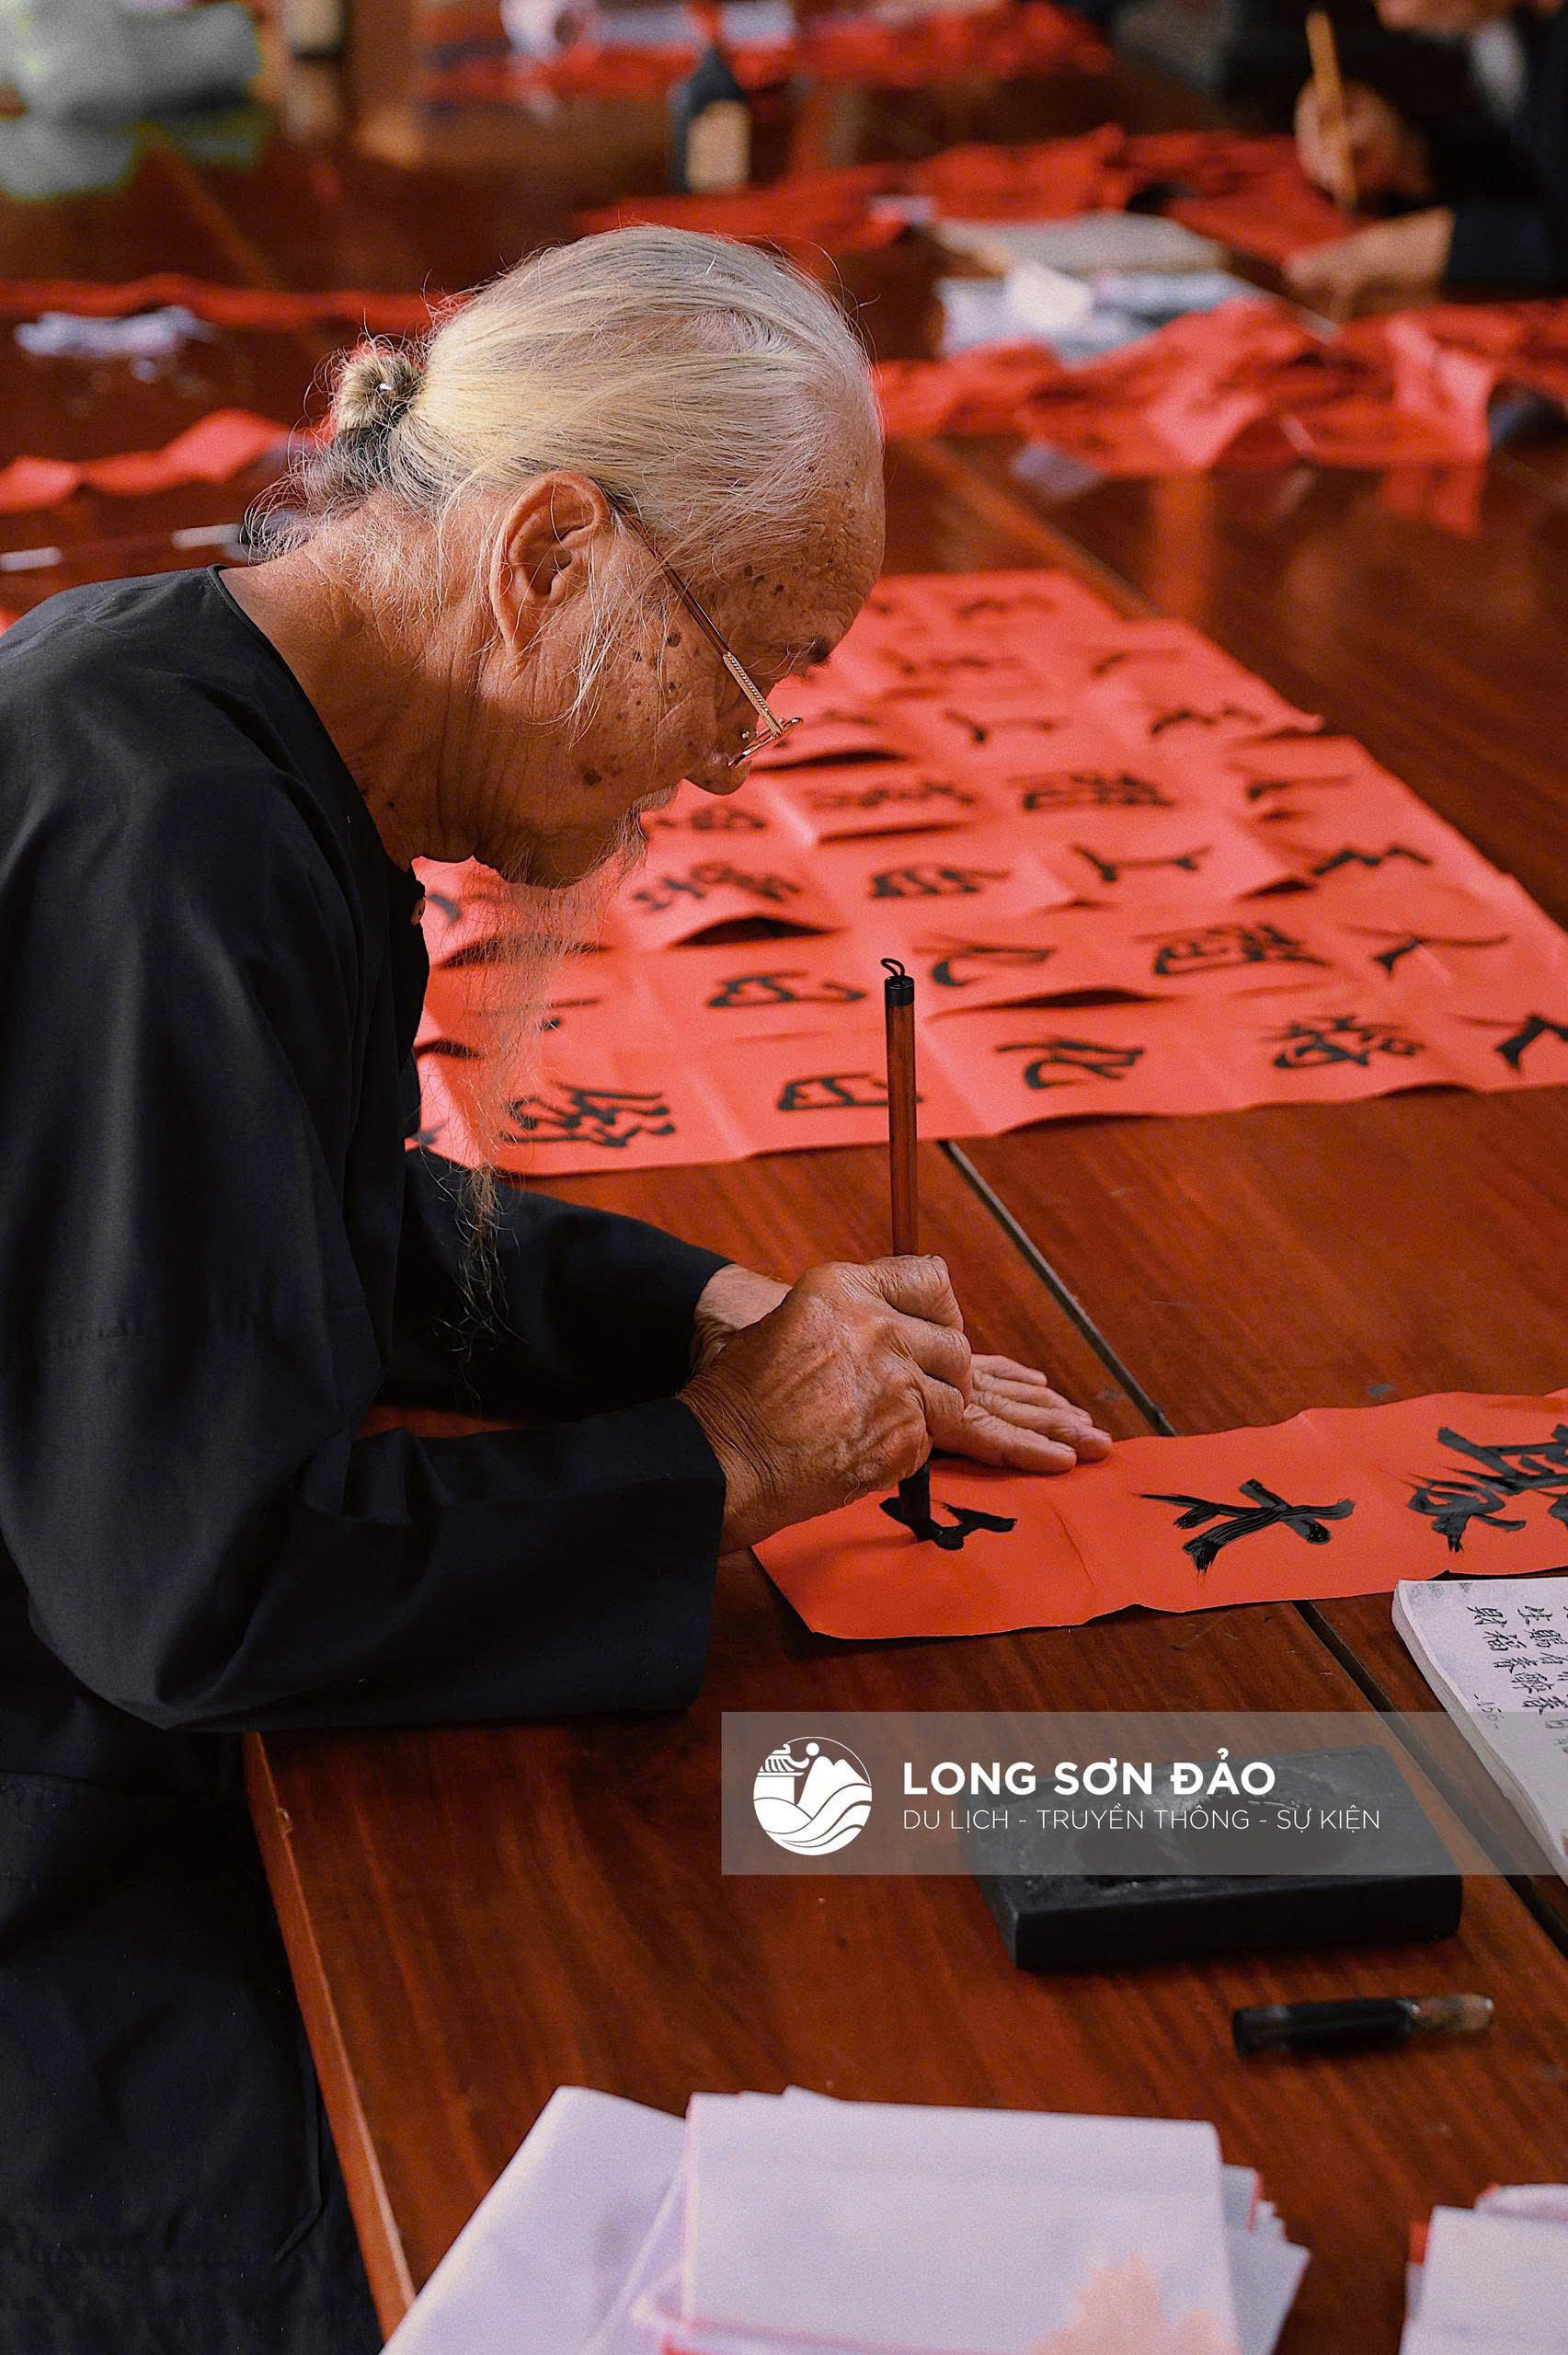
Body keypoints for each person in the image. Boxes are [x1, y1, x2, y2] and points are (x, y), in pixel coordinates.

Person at [0, 225, 1112, 2353]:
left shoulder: (201, 700)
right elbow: (198, 1590)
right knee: (526, 2190)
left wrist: (709, 1314)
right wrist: (722, 1462)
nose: (731, 763)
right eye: (746, 670)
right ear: (545, 554)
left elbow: (306, 1219)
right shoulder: (174, 840)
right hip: (53, 1871)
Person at [1286, 0, 1568, 304]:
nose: (1392, 18)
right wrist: (1406, 159)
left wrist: (1416, 250)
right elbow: (1538, 180)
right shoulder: (1539, 25)